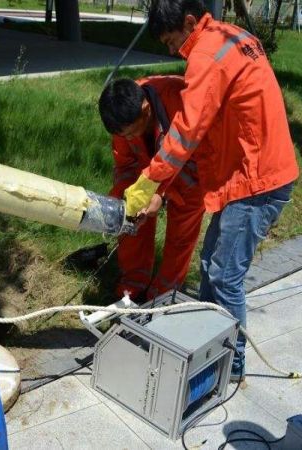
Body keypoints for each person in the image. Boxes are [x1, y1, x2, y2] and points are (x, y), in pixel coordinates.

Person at [123, 0, 299, 381]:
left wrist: (149, 181)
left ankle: (229, 366)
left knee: (223, 276)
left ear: (189, 22)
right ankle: (207, 345)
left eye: (172, 42)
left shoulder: (205, 55)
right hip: (254, 167)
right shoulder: (232, 34)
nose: (172, 52)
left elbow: (185, 132)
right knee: (210, 265)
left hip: (257, 177)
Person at [99, 76, 205, 302]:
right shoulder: (122, 115)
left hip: (191, 174)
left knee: (180, 236)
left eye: (130, 133)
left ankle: (163, 295)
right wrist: (124, 203)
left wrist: (160, 193)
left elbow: (188, 150)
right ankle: (133, 284)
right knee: (127, 213)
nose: (127, 139)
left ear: (146, 110)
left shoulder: (178, 99)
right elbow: (125, 165)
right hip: (147, 174)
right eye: (122, 136)